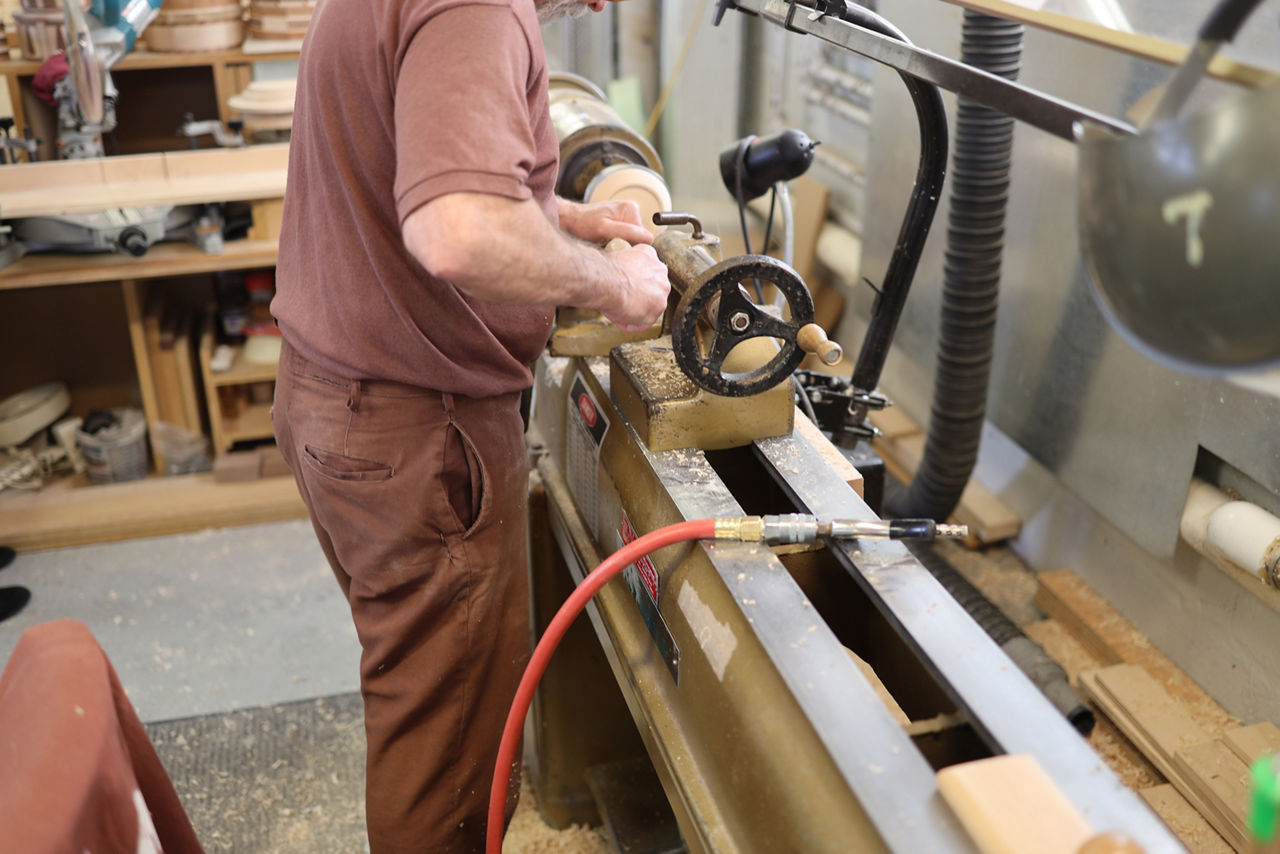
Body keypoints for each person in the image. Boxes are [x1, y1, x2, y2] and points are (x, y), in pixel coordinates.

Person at [269, 1, 670, 852]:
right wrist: (616, 288)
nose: (601, 4)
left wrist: (558, 216)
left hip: (335, 398)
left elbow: (406, 157)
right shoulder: (479, 6)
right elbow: (456, 229)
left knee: (419, 697)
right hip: (416, 430)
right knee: (446, 750)